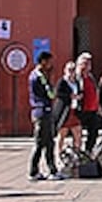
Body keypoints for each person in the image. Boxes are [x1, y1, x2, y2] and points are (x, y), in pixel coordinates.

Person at [28, 51, 63, 181]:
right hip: (42, 111)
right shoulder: (39, 77)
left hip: (42, 110)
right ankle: (34, 171)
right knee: (42, 142)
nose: (50, 65)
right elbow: (50, 94)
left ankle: (50, 169)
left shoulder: (37, 75)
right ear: (43, 61)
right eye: (49, 62)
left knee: (48, 143)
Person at [53, 61, 82, 156]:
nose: (71, 72)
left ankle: (76, 153)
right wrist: (70, 96)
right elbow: (57, 93)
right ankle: (59, 154)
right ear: (65, 70)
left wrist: (80, 96)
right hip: (65, 111)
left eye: (73, 70)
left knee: (77, 132)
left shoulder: (76, 82)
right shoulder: (62, 82)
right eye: (69, 70)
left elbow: (80, 91)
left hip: (74, 110)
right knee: (62, 134)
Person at [75, 53, 100, 153]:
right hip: (81, 110)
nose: (87, 65)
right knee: (78, 133)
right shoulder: (77, 78)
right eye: (85, 63)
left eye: (89, 63)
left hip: (92, 109)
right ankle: (77, 151)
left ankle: (88, 150)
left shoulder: (90, 77)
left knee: (93, 132)